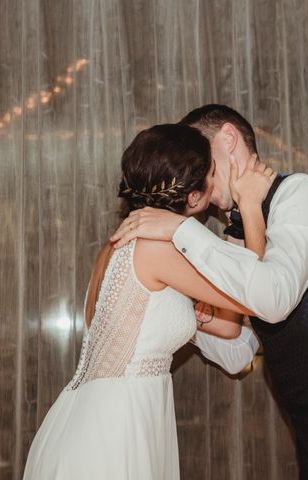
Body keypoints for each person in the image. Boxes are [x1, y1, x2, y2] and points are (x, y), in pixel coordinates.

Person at [110, 105, 308, 480]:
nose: (195, 176)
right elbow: (237, 353)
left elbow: (275, 299)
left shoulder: (298, 194)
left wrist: (180, 231)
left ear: (229, 140)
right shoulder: (236, 237)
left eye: (201, 159)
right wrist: (178, 315)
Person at [23, 123, 274, 479]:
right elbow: (255, 292)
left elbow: (229, 324)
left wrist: (205, 311)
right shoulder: (156, 248)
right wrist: (250, 207)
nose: (218, 180)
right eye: (213, 173)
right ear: (193, 197)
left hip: (108, 414)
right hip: (115, 426)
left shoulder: (122, 244)